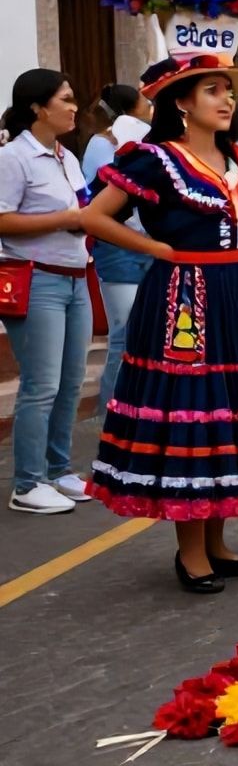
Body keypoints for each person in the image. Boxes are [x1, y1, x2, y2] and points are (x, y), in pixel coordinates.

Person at [82, 55, 238, 591]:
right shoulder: (155, 159)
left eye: (228, 90)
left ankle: (217, 540)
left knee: (231, 410)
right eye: (212, 90)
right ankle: (190, 551)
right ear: (181, 102)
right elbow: (93, 215)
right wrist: (156, 249)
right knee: (195, 412)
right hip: (182, 297)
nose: (226, 99)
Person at [1, 70, 94, 515]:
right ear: (38, 108)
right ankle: (27, 483)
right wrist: (66, 220)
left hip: (76, 277)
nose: (74, 107)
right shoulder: (13, 157)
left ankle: (59, 470)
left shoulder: (66, 156)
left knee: (71, 383)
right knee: (41, 385)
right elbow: (3, 220)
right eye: (66, 99)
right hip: (36, 280)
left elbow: (82, 207)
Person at [81, 83, 152, 427]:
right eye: (145, 103)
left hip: (146, 243)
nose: (150, 108)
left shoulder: (146, 140)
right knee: (124, 333)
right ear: (130, 108)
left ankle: (140, 407)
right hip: (118, 246)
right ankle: (110, 414)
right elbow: (107, 193)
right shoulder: (101, 144)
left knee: (147, 331)